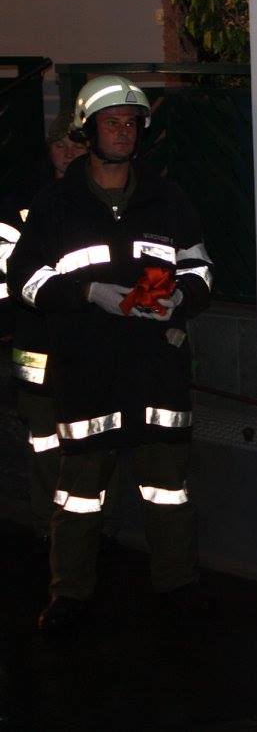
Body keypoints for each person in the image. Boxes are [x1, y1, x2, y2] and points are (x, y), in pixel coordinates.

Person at [8, 75, 215, 634]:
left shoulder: (167, 197)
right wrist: (86, 293)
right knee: (79, 494)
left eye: (131, 123)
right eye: (111, 123)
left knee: (168, 489)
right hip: (88, 368)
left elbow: (199, 266)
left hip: (157, 367)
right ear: (87, 130)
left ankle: (178, 584)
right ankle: (69, 595)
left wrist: (181, 296)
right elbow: (25, 277)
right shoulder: (57, 203)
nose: (123, 133)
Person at [1, 114, 130, 555]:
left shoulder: (105, 200)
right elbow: (12, 274)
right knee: (44, 440)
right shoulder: (23, 203)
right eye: (60, 145)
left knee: (99, 434)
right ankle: (49, 523)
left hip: (92, 340)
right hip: (36, 341)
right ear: (48, 151)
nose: (68, 153)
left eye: (76, 144)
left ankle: (101, 525)